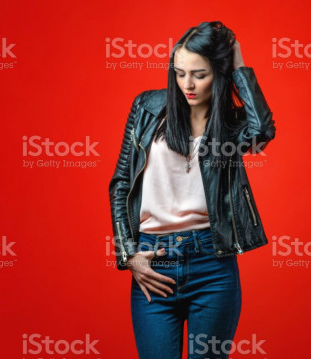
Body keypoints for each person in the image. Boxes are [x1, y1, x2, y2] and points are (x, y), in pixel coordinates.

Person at [108, 21, 276, 359]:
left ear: (219, 71)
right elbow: (121, 183)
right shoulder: (146, 108)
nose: (187, 84)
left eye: (199, 74)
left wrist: (239, 63)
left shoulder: (231, 125)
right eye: (180, 72)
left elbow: (263, 131)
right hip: (154, 262)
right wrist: (128, 256)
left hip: (212, 264)